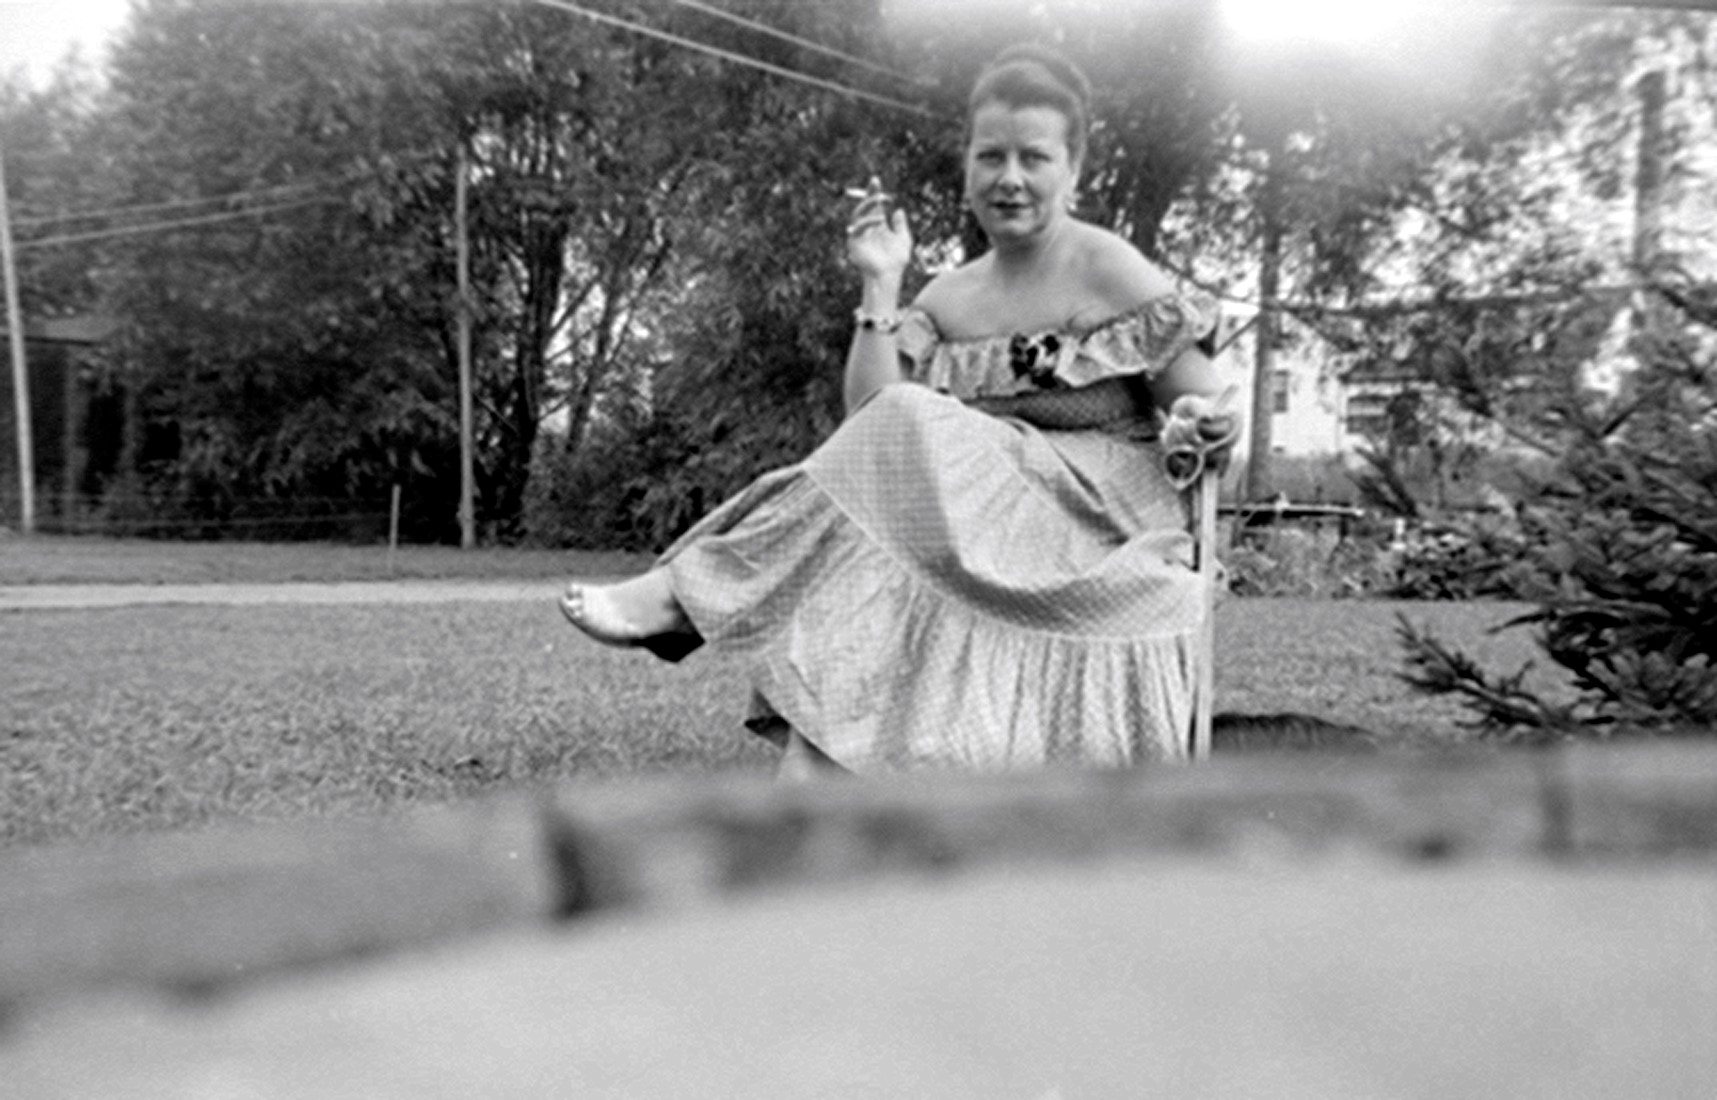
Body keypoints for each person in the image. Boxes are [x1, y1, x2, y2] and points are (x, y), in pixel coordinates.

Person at [560, 43, 1236, 775]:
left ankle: (688, 596)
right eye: (990, 157)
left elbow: (1204, 403)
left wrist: (1206, 420)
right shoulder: (949, 296)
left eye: (1034, 158)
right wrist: (880, 284)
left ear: (1072, 168)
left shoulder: (1108, 267)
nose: (1009, 179)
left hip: (1102, 517)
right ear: (968, 165)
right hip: (994, 531)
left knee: (909, 428)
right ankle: (812, 779)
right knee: (879, 524)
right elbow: (870, 432)